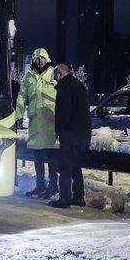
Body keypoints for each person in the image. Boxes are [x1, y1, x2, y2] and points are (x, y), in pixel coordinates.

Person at [15, 48, 59, 198]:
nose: (40, 61)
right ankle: (40, 186)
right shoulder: (29, 77)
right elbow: (21, 97)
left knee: (52, 156)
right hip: (35, 122)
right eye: (37, 58)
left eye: (42, 58)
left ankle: (53, 186)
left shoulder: (54, 74)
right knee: (37, 157)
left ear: (47, 59)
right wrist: (19, 116)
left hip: (50, 121)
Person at [51, 63, 91, 208]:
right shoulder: (80, 85)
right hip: (83, 133)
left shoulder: (64, 87)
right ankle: (79, 197)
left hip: (69, 133)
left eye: (56, 75)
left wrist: (59, 131)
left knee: (65, 166)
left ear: (60, 73)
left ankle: (64, 199)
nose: (55, 78)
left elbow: (63, 111)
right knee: (76, 165)